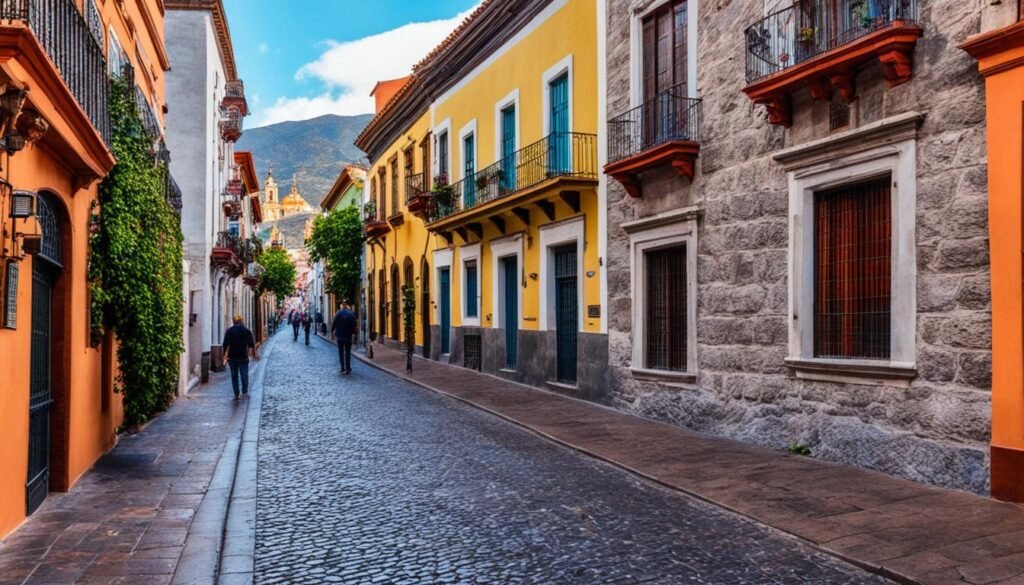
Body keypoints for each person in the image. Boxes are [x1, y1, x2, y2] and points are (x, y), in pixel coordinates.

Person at [222, 314, 258, 401]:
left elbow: (225, 344)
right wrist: (253, 354)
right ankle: (244, 392)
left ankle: (236, 394)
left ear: (233, 322)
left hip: (232, 356)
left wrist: (224, 356)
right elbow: (251, 344)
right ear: (242, 321)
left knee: (234, 376)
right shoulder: (246, 331)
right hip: (243, 356)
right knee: (244, 375)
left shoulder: (229, 331)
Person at [332, 300, 358, 374]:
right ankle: (348, 368)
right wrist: (354, 334)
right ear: (346, 306)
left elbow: (334, 323)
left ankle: (342, 368)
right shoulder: (351, 314)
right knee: (347, 352)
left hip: (340, 336)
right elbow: (354, 325)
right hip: (348, 336)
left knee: (340, 352)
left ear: (341, 306)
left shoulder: (338, 313)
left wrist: (332, 332)